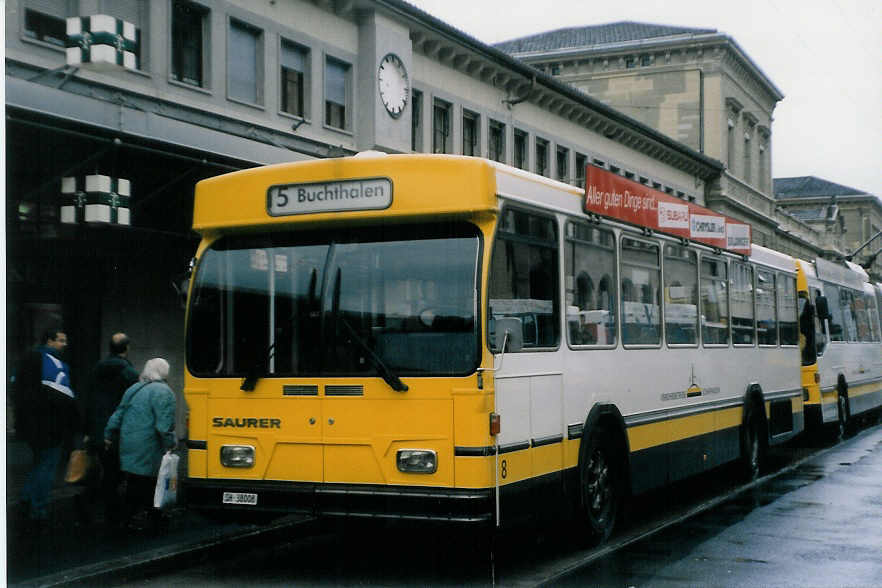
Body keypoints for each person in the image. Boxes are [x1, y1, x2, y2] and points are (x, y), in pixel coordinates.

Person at [13, 328, 79, 522]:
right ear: (49, 341)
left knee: (38, 463)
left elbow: (16, 389)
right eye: (61, 340)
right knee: (47, 467)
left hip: (29, 424)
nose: (65, 344)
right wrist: (74, 423)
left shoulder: (26, 359)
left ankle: (26, 498)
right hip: (51, 425)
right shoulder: (55, 364)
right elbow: (64, 397)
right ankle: (38, 508)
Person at [104, 358, 176, 532]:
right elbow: (163, 425)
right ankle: (149, 519)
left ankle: (129, 518)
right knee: (150, 483)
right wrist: (171, 443)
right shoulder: (164, 391)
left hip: (128, 442)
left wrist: (108, 434)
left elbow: (118, 414)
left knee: (135, 481)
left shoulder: (134, 388)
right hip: (149, 445)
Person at [84, 333, 140, 525]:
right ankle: (114, 512)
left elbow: (89, 400)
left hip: (97, 427)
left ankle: (101, 507)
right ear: (127, 348)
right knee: (117, 473)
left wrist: (87, 430)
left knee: (106, 469)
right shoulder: (129, 372)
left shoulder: (97, 369)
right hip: (118, 429)